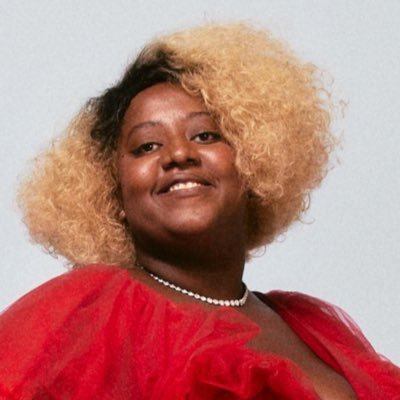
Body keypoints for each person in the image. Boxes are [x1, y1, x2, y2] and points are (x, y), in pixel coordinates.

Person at [0, 23, 399, 399]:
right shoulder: (89, 314)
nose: (179, 154)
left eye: (205, 135)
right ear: (113, 193)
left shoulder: (312, 328)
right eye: (147, 146)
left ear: (253, 162)